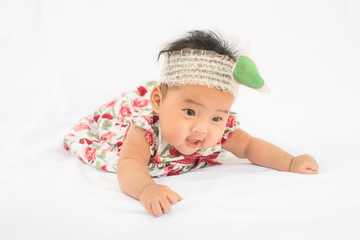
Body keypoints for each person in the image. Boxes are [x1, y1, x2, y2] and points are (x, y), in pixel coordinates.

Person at [63, 30, 319, 217]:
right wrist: (145, 188)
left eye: (216, 117)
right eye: (189, 111)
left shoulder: (221, 131)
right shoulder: (146, 130)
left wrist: (290, 162)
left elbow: (250, 146)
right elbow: (129, 163)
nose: (202, 128)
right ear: (158, 101)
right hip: (130, 112)